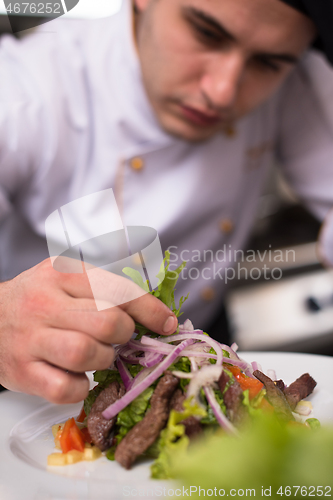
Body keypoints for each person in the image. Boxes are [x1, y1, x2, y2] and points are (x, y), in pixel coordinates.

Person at [0, 0, 332, 402]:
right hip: (30, 380)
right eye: (206, 33)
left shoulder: (293, 81)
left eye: (267, 63)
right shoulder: (22, 92)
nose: (221, 92)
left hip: (203, 349)